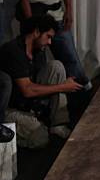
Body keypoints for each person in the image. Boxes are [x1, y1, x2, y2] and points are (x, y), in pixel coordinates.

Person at [0, 15, 84, 148]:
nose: (50, 42)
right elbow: (27, 90)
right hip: (8, 110)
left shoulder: (38, 50)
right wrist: (62, 87)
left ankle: (57, 124)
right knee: (41, 139)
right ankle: (13, 138)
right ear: (37, 32)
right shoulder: (14, 51)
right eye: (48, 36)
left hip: (26, 104)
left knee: (56, 66)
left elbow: (36, 82)